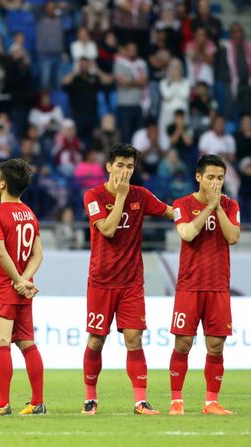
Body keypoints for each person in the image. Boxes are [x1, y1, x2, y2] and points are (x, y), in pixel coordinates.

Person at [81, 144, 173, 415]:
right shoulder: (93, 195)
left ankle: (140, 401)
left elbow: (170, 211)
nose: (125, 171)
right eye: (120, 165)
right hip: (101, 281)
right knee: (96, 340)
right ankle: (90, 399)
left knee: (134, 339)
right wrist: (120, 197)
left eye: (130, 166)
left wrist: (201, 206)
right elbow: (108, 230)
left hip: (131, 282)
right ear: (109, 166)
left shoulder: (140, 195)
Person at [0, 158, 45, 416]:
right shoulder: (30, 214)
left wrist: (16, 280)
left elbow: (1, 253)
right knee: (28, 344)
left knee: (0, 343)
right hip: (24, 290)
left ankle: (2, 404)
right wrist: (25, 280)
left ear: (3, 184)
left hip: (3, 288)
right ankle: (37, 402)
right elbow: (38, 254)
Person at [168, 155, 240, 416]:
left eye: (220, 178)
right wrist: (209, 206)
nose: (215, 183)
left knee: (216, 346)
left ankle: (211, 402)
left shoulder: (230, 205)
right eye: (210, 177)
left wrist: (217, 207)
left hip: (218, 286)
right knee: (183, 343)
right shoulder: (182, 204)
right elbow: (187, 233)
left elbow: (233, 237)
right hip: (189, 286)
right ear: (198, 177)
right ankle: (176, 401)